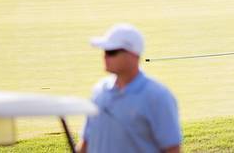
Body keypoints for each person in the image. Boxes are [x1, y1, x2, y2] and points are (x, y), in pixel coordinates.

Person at [77, 23, 182, 153]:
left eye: (112, 52)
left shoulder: (157, 96)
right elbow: (86, 142)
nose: (105, 56)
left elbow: (172, 149)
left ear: (133, 55)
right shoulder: (99, 92)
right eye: (105, 51)